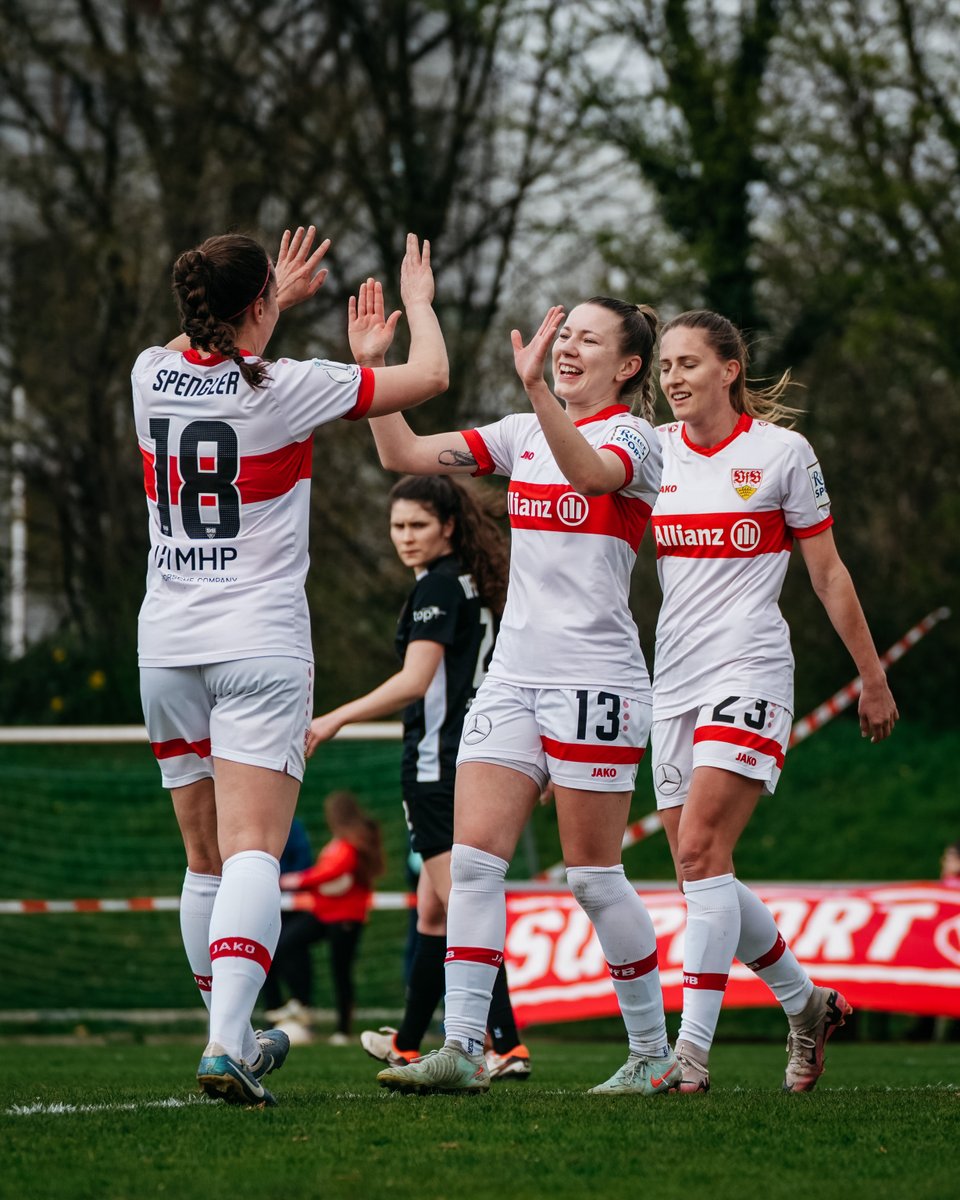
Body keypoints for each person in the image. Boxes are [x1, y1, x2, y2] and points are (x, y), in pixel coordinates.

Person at [133, 225, 448, 1106]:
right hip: (259, 646)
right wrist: (414, 310)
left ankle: (229, 1035)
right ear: (258, 307)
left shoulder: (147, 374)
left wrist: (268, 303)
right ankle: (229, 1042)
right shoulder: (288, 388)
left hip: (167, 645)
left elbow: (194, 345)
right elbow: (430, 381)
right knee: (253, 857)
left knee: (204, 862)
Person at [358, 295, 681, 1096]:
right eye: (561, 336)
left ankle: (650, 1053)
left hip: (595, 675)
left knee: (592, 876)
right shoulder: (518, 432)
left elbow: (592, 473)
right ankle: (464, 1049)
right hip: (513, 678)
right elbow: (402, 452)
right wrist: (374, 371)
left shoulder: (634, 436)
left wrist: (538, 390)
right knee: (471, 864)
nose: (566, 349)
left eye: (586, 341)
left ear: (628, 366)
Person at [649, 308, 898, 1093]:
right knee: (702, 873)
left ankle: (688, 1055)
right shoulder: (650, 453)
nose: (674, 378)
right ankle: (807, 1003)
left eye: (689, 363)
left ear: (730, 369)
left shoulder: (782, 454)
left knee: (699, 854)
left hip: (750, 670)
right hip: (672, 683)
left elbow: (827, 573)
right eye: (663, 367)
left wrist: (873, 674)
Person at [306, 465, 531, 1079]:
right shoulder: (475, 584)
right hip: (480, 754)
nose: (405, 537)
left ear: (449, 527)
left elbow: (414, 681)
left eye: (418, 525)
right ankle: (408, 1041)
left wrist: (332, 719)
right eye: (397, 525)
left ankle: (505, 1044)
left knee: (462, 908)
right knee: (437, 912)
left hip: (438, 763)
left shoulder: (436, 588)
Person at [261, 791, 385, 1045]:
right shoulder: (340, 843)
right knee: (285, 943)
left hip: (346, 918)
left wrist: (294, 880)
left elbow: (329, 873)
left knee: (341, 971)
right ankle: (299, 1005)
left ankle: (343, 1030)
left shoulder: (351, 846)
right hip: (324, 913)